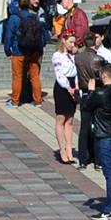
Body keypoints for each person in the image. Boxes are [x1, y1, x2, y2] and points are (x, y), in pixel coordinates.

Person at [83, 63, 111, 220]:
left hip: (105, 136)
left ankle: (110, 210)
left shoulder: (100, 93)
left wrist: (90, 91)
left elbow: (86, 107)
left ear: (103, 76)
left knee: (110, 174)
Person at [49, 32, 79, 165]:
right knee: (61, 118)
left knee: (70, 119)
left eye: (74, 42)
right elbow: (59, 74)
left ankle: (69, 149)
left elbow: (76, 72)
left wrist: (76, 87)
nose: (73, 45)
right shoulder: (57, 56)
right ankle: (62, 149)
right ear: (64, 41)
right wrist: (68, 88)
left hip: (73, 83)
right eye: (70, 42)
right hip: (62, 87)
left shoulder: (73, 55)